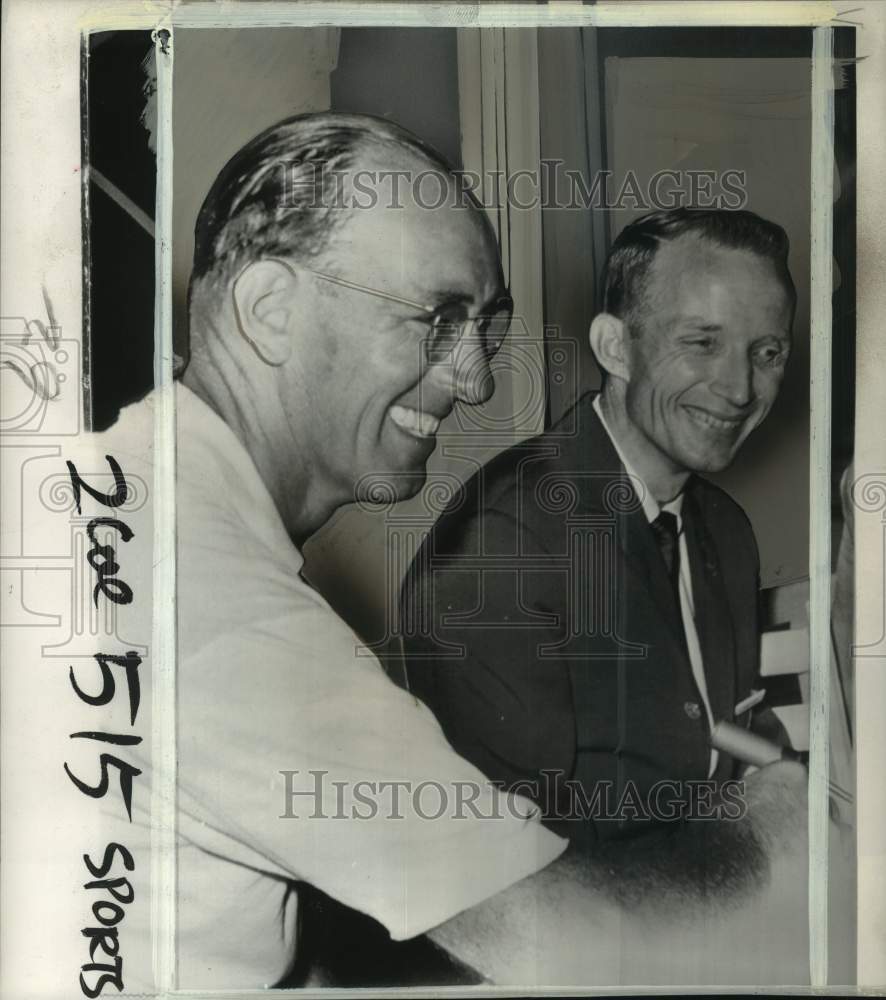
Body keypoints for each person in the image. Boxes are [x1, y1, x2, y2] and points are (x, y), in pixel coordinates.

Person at [80, 112, 567, 991]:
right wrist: (786, 833)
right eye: (438, 318)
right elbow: (577, 941)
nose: (476, 379)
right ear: (270, 311)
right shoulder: (227, 609)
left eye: (484, 328)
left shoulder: (121, 490)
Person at [401, 208, 797, 844]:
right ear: (616, 348)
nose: (739, 388)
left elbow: (722, 732)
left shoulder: (725, 530)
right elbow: (512, 861)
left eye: (767, 352)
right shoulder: (500, 545)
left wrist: (791, 783)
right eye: (702, 343)